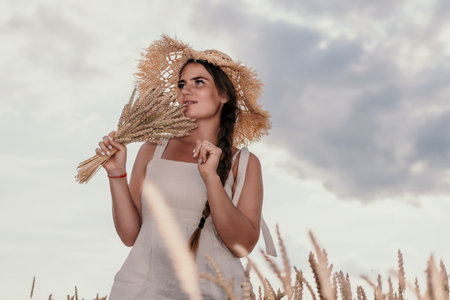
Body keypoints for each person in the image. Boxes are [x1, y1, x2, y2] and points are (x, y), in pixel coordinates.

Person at [95, 35, 276, 299]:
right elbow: (131, 235)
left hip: (214, 289)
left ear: (223, 94)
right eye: (181, 84)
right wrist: (116, 175)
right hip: (141, 287)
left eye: (198, 82)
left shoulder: (244, 163)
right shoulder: (152, 149)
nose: (185, 91)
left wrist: (211, 179)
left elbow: (242, 246)